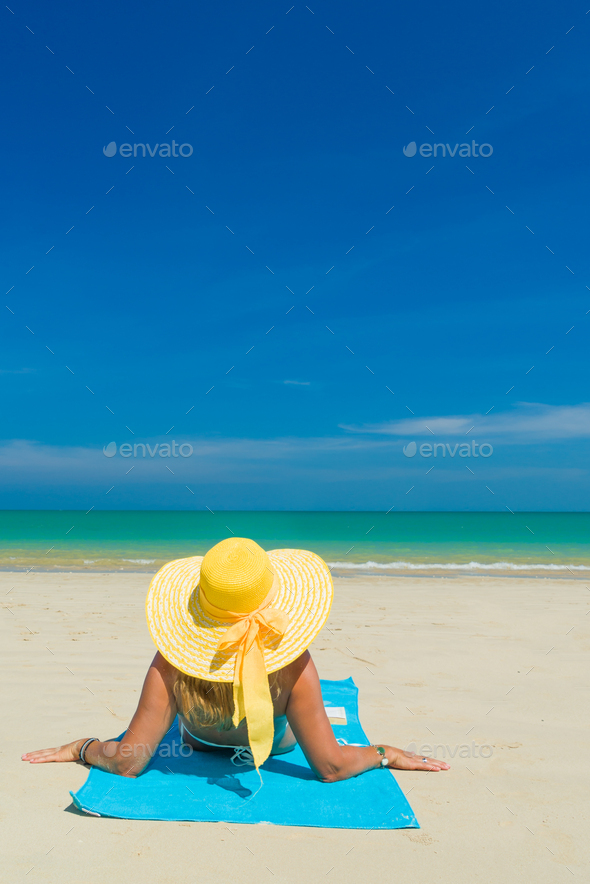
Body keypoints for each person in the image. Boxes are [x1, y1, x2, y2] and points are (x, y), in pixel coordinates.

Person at [22, 538, 449, 781]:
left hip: (197, 744)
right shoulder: (293, 664)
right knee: (313, 716)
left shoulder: (170, 661)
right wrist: (383, 752)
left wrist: (82, 748)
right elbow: (332, 765)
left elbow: (127, 761)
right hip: (275, 748)